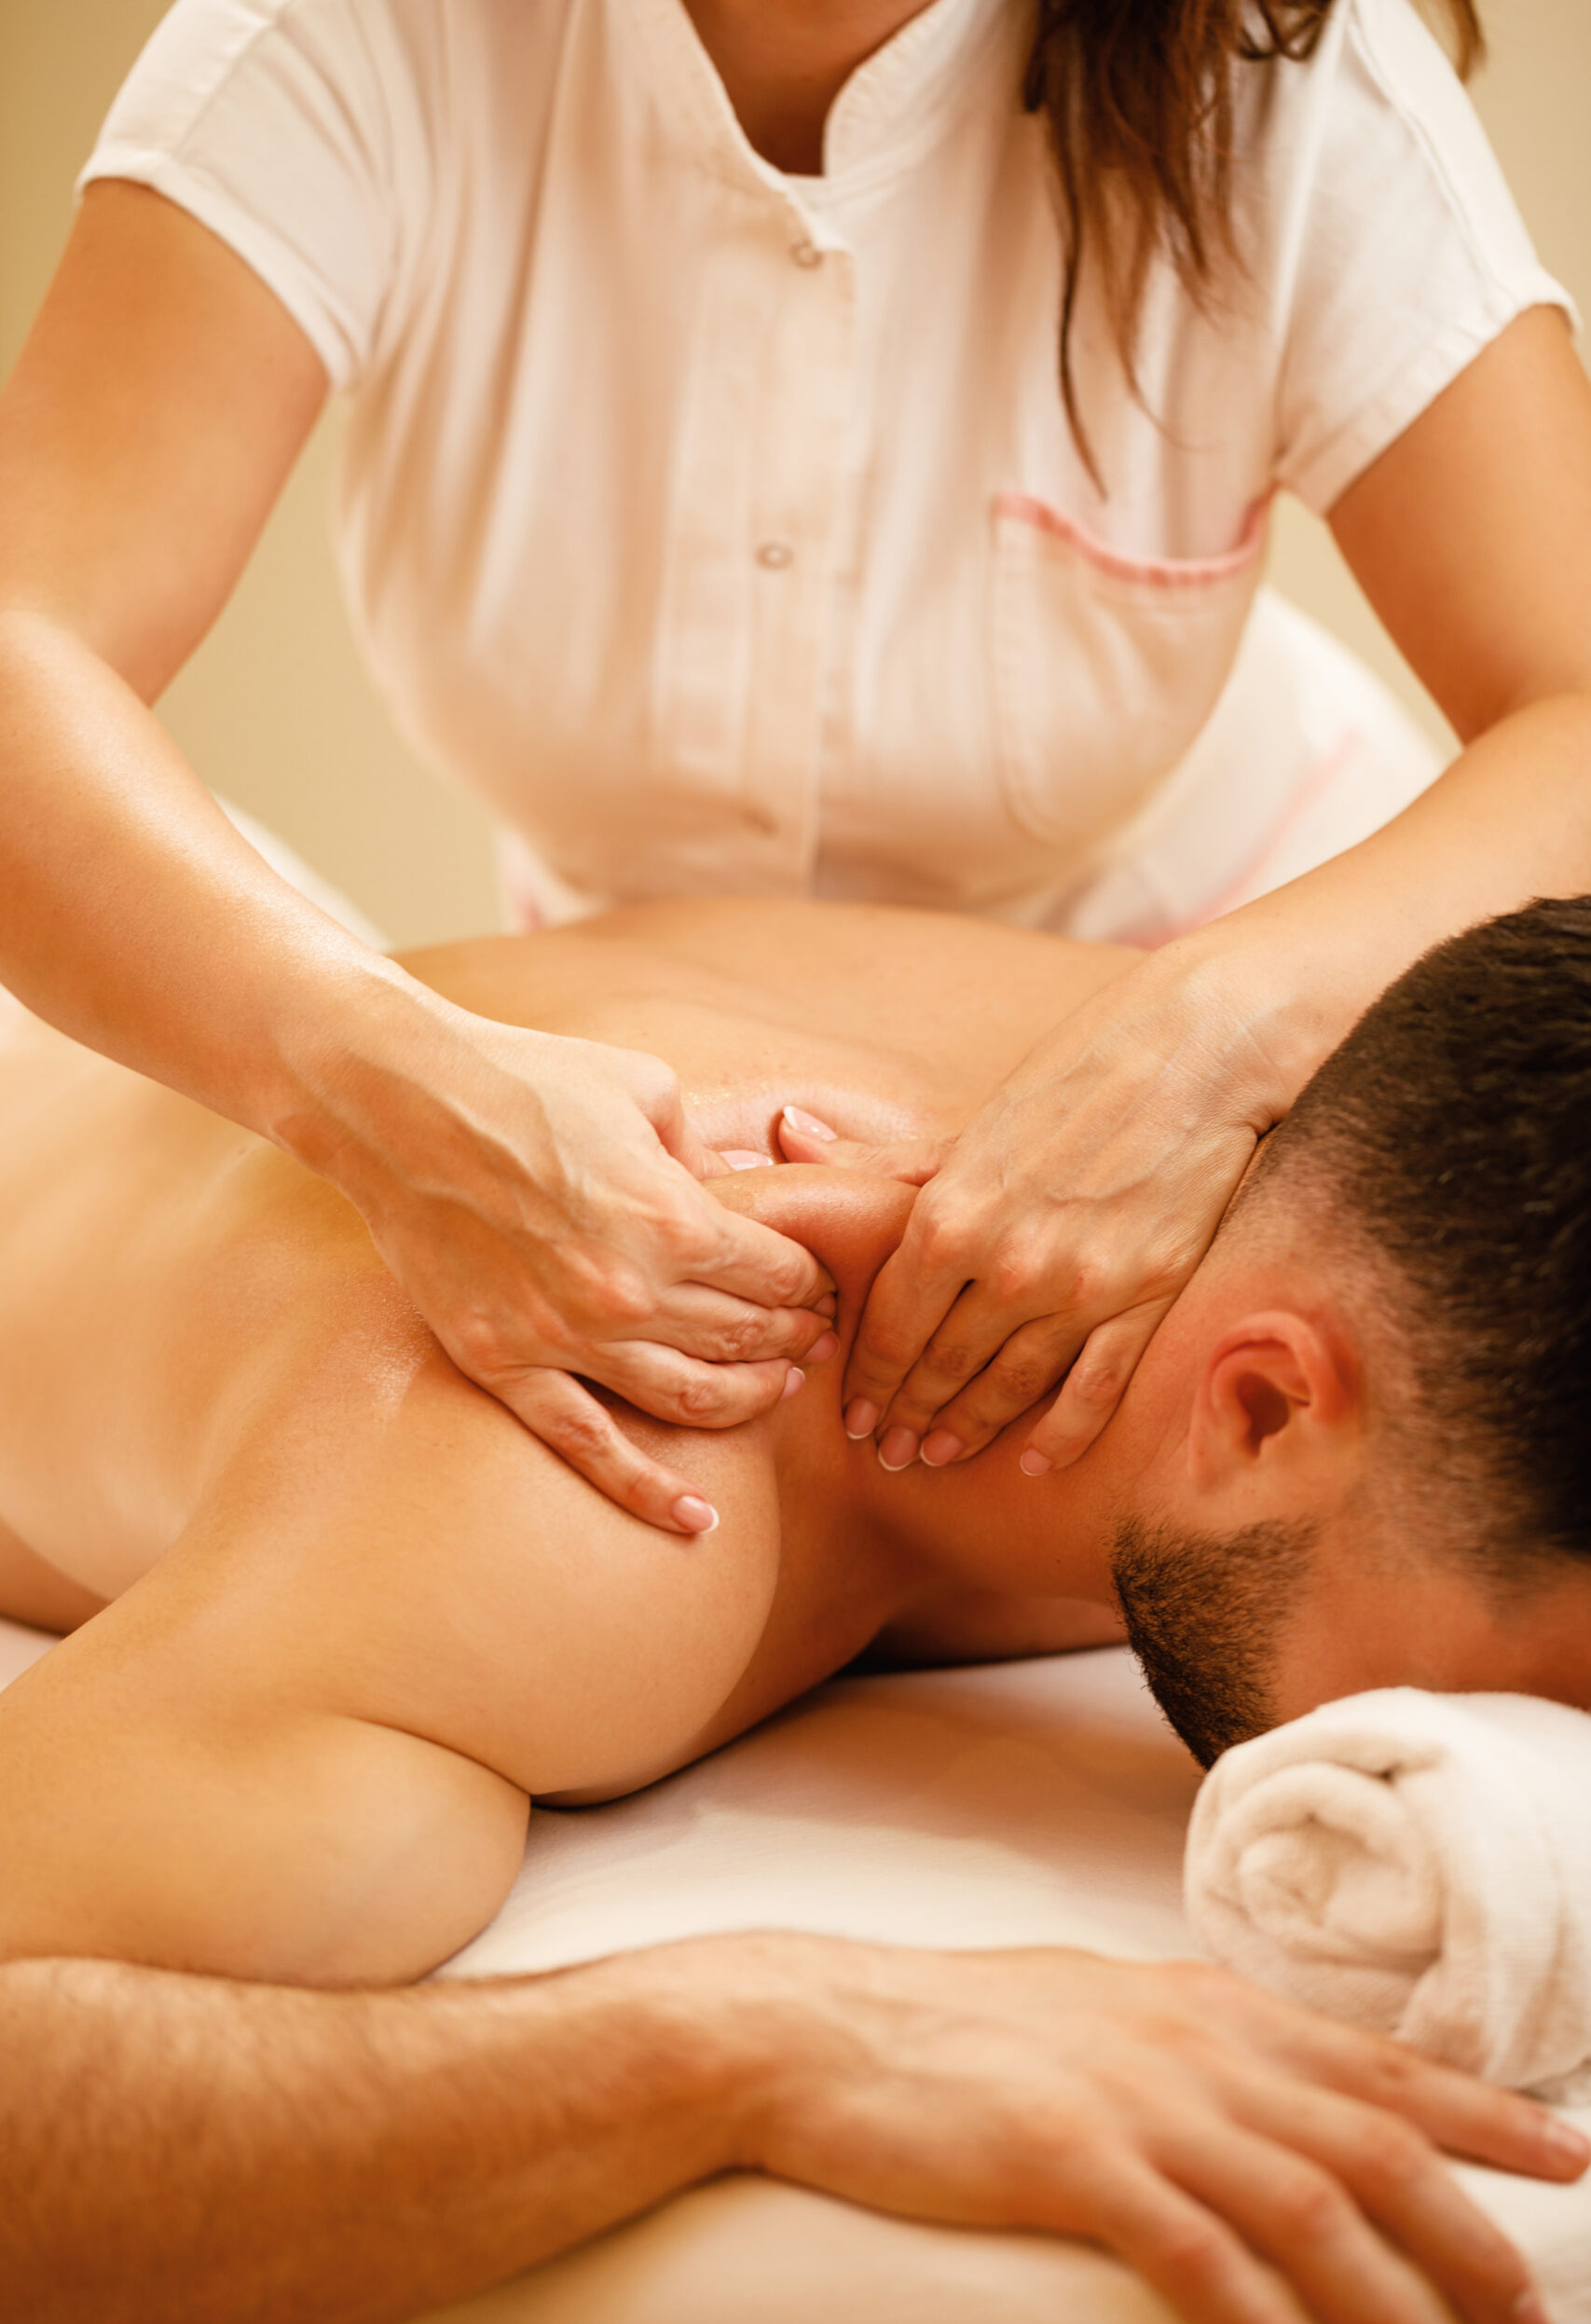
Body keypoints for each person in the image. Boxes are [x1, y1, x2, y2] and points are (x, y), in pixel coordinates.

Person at [2, 0, 1589, 1537]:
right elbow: (25, 646)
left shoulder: (1283, 72)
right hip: (664, 1033)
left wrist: (1215, 1042)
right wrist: (369, 1079)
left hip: (1250, 1006)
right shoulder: (349, 39)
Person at [3, 891, 1589, 2324]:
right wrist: (756, 2047)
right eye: (1565, 1704)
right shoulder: (579, 1507)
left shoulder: (1311, 1138)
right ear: (1261, 1406)